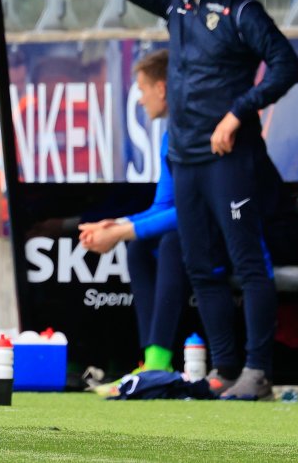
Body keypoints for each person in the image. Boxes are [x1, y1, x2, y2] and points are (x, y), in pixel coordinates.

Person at [103, 0, 298, 400]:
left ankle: (258, 371)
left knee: (247, 262)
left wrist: (239, 113)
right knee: (199, 266)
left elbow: (286, 65)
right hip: (185, 158)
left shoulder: (241, 12)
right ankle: (225, 369)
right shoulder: (175, 4)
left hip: (230, 158)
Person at [79, 50, 188, 376]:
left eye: (141, 90)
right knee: (140, 247)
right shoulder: (170, 136)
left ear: (162, 89)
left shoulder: (195, 133)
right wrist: (116, 225)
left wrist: (119, 232)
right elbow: (163, 207)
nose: (139, 100)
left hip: (231, 233)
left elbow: (191, 212)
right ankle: (151, 360)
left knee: (170, 243)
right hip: (194, 231)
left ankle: (158, 362)